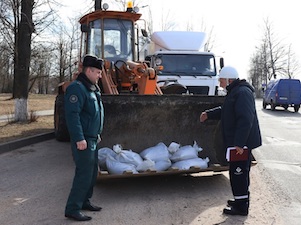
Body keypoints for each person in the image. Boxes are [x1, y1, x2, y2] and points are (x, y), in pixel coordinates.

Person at [200, 66, 262, 216]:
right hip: (238, 143)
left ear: (229, 79)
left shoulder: (242, 93)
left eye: (221, 80)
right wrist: (209, 114)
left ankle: (241, 207)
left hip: (241, 144)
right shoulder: (235, 92)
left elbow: (245, 120)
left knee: (238, 173)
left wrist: (240, 143)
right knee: (237, 172)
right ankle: (240, 200)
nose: (220, 83)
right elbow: (227, 109)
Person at [64, 55, 104, 221]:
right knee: (84, 173)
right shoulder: (77, 88)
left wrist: (97, 134)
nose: (100, 76)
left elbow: (93, 114)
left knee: (92, 172)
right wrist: (79, 138)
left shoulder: (92, 88)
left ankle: (84, 201)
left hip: (92, 138)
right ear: (89, 70)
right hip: (83, 140)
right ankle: (73, 208)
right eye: (98, 72)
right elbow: (73, 116)